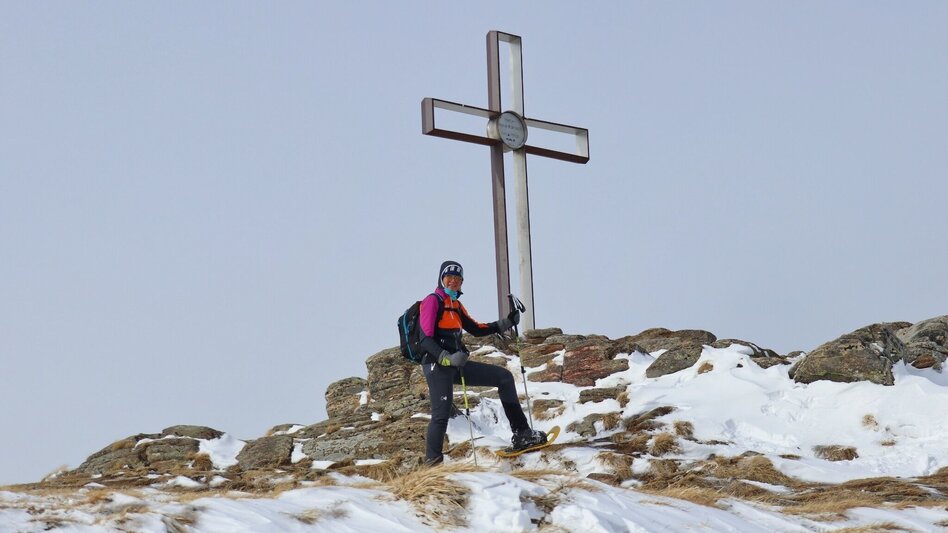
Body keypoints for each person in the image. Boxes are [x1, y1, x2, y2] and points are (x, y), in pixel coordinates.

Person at [418, 260, 547, 465]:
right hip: (437, 366)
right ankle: (433, 464)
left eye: (457, 279)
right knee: (441, 415)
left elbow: (477, 329)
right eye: (448, 278)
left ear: (461, 283)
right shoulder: (433, 301)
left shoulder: (456, 306)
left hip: (457, 364)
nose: (453, 282)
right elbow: (425, 339)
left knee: (503, 378)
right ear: (441, 279)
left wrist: (505, 323)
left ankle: (522, 433)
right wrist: (446, 357)